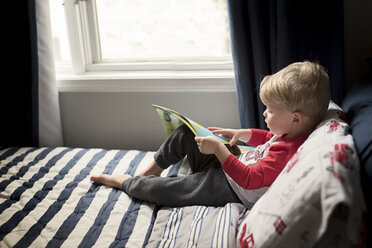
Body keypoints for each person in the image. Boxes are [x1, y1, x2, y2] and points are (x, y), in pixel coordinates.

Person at [90, 61, 330, 208]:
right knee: (186, 133)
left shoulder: (288, 153)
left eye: (270, 111)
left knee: (166, 191)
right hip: (231, 167)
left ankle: (128, 182)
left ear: (296, 118)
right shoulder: (292, 133)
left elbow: (248, 179)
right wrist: (242, 133)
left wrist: (218, 149)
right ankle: (150, 170)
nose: (265, 114)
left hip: (231, 188)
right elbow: (269, 138)